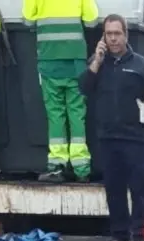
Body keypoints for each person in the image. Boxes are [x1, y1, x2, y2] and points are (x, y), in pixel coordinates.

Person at [79, 14, 144, 241]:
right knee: (114, 190)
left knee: (139, 188)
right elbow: (83, 87)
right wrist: (96, 61)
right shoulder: (98, 64)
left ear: (126, 35)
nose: (113, 38)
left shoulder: (140, 64)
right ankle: (119, 236)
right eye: (109, 34)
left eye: (117, 33)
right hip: (107, 138)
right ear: (103, 37)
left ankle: (139, 237)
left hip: (134, 138)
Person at [23, 0, 100, 182]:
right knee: (77, 113)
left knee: (55, 114)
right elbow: (92, 21)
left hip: (49, 60)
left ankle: (57, 165)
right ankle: (81, 168)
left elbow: (27, 20)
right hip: (74, 62)